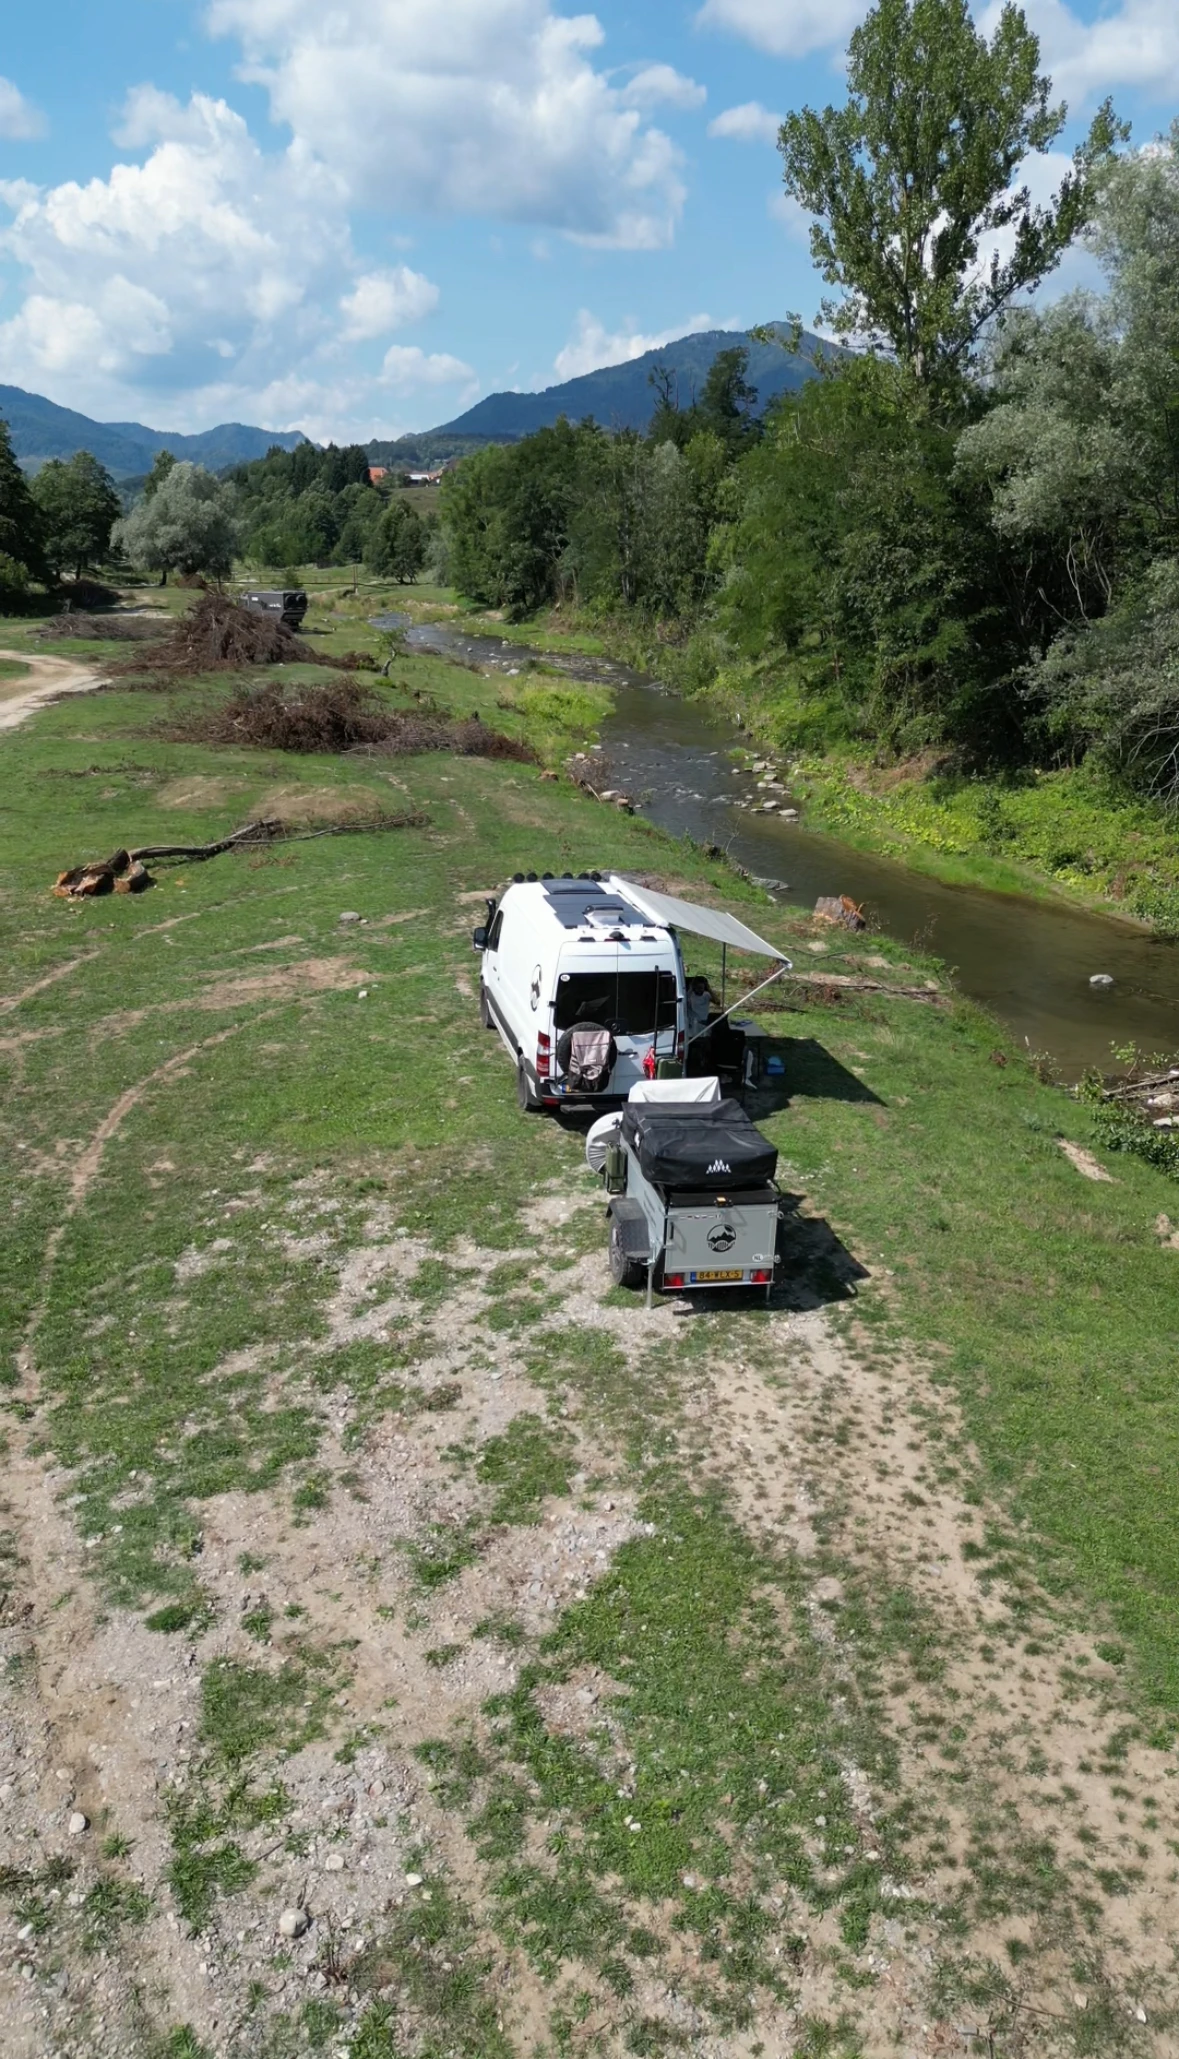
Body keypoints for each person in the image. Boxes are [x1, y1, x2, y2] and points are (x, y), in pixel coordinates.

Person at [686, 975, 714, 1041]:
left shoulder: (706, 995)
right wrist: (690, 989)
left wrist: (709, 989)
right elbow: (685, 1001)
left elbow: (717, 1001)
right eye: (697, 988)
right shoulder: (691, 994)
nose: (699, 990)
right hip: (694, 1021)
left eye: (701, 988)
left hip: (703, 1021)